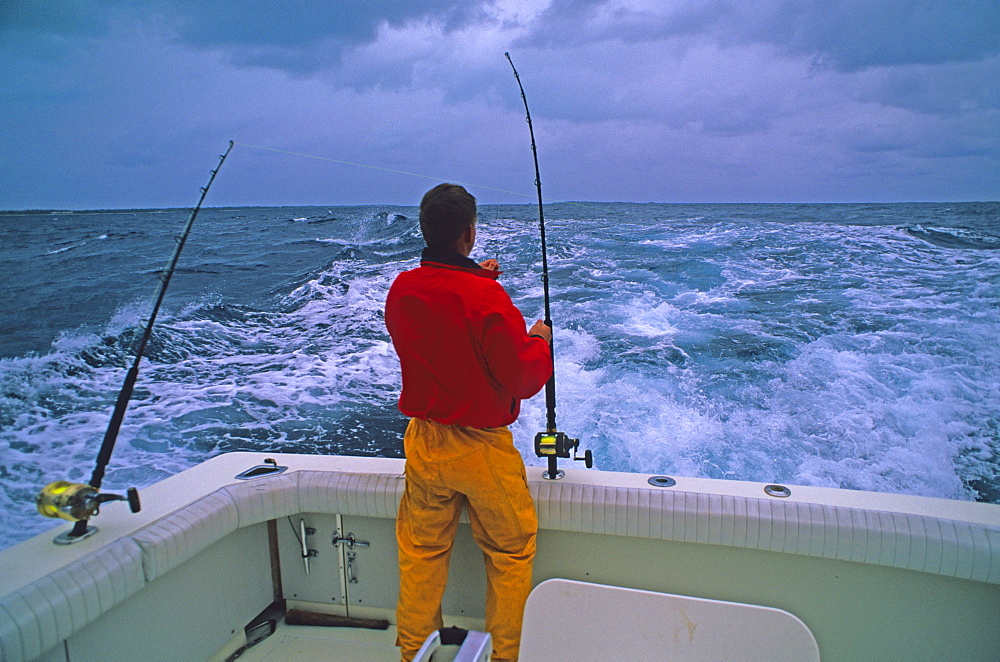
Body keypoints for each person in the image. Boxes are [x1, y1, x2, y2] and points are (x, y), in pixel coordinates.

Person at [385, 183, 552, 662]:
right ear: (470, 233)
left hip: (424, 442)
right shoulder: (487, 298)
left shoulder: (403, 288)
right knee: (510, 551)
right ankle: (507, 656)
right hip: (481, 448)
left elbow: (438, 314)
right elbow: (521, 377)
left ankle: (414, 650)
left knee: (422, 550)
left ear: (426, 230)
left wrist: (474, 278)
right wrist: (539, 339)